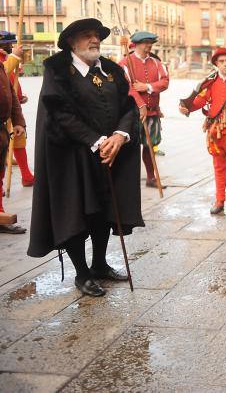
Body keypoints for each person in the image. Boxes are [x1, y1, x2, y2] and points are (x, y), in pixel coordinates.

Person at [27, 18, 143, 297]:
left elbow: (129, 106)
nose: (95, 40)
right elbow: (59, 112)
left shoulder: (113, 70)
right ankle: (82, 273)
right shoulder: (57, 69)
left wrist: (120, 135)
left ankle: (100, 264)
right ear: (71, 41)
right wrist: (96, 140)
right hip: (72, 158)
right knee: (76, 214)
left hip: (110, 154)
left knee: (104, 211)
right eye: (87, 35)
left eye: (97, 35)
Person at [179, 47, 226, 214]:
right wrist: (187, 108)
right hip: (215, 131)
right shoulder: (210, 82)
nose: (225, 64)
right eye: (221, 61)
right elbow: (200, 100)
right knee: (219, 168)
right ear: (216, 64)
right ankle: (220, 200)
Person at [119, 31, 169, 188]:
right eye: (146, 42)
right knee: (130, 147)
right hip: (132, 114)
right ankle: (128, 180)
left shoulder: (157, 63)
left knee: (150, 146)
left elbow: (165, 82)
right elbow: (126, 87)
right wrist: (140, 105)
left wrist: (146, 86)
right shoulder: (124, 63)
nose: (149, 46)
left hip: (153, 112)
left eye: (151, 43)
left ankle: (150, 178)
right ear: (136, 44)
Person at [0, 35, 26, 234]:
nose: (10, 46)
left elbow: (10, 93)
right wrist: (15, 58)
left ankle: (0, 214)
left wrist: (18, 121)